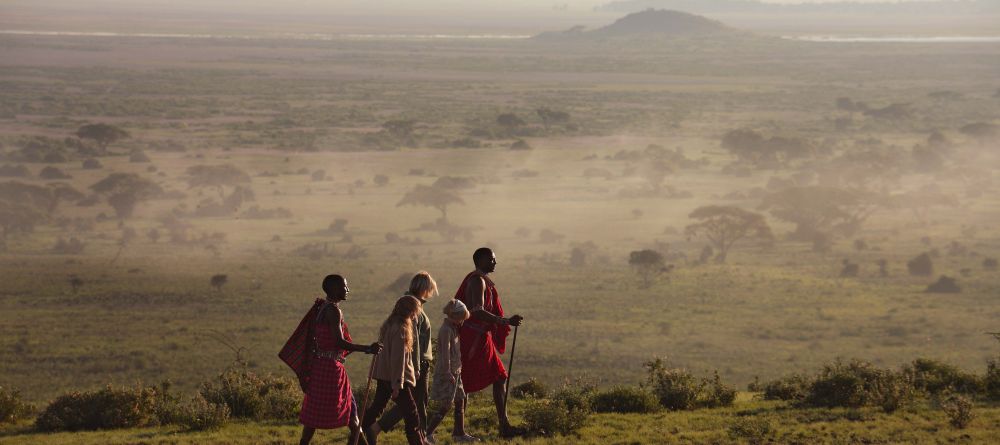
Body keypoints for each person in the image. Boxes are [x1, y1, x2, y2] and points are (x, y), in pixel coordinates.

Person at [297, 275, 382, 445]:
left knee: (316, 418)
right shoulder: (333, 311)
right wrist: (367, 348)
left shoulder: (323, 307)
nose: (347, 290)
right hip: (330, 370)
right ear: (335, 288)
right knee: (350, 413)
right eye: (344, 286)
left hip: (321, 367)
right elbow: (339, 342)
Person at [454, 247, 524, 437]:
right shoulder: (477, 281)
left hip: (480, 337)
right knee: (465, 383)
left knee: (499, 377)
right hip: (473, 338)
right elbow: (476, 310)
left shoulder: (481, 280)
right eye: (492, 259)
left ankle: (504, 425)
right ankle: (459, 431)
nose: (495, 262)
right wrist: (504, 321)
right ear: (481, 260)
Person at [370, 272, 436, 443]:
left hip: (391, 373)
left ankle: (361, 432)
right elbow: (406, 351)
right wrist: (412, 372)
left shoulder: (395, 317)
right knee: (413, 411)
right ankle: (418, 439)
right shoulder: (407, 321)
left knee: (380, 408)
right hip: (406, 373)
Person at [362, 295, 426, 445]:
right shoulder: (402, 329)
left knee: (376, 408)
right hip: (395, 378)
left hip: (385, 375)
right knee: (412, 415)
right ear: (410, 311)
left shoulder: (390, 324)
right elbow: (398, 359)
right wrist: (397, 385)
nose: (416, 315)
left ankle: (358, 433)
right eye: (415, 311)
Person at [425, 299, 476, 444]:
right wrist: (447, 372)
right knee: (447, 404)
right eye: (461, 319)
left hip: (456, 371)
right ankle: (427, 433)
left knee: (460, 400)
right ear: (455, 317)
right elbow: (445, 353)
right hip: (448, 373)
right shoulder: (446, 330)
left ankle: (459, 433)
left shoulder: (453, 327)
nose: (462, 322)